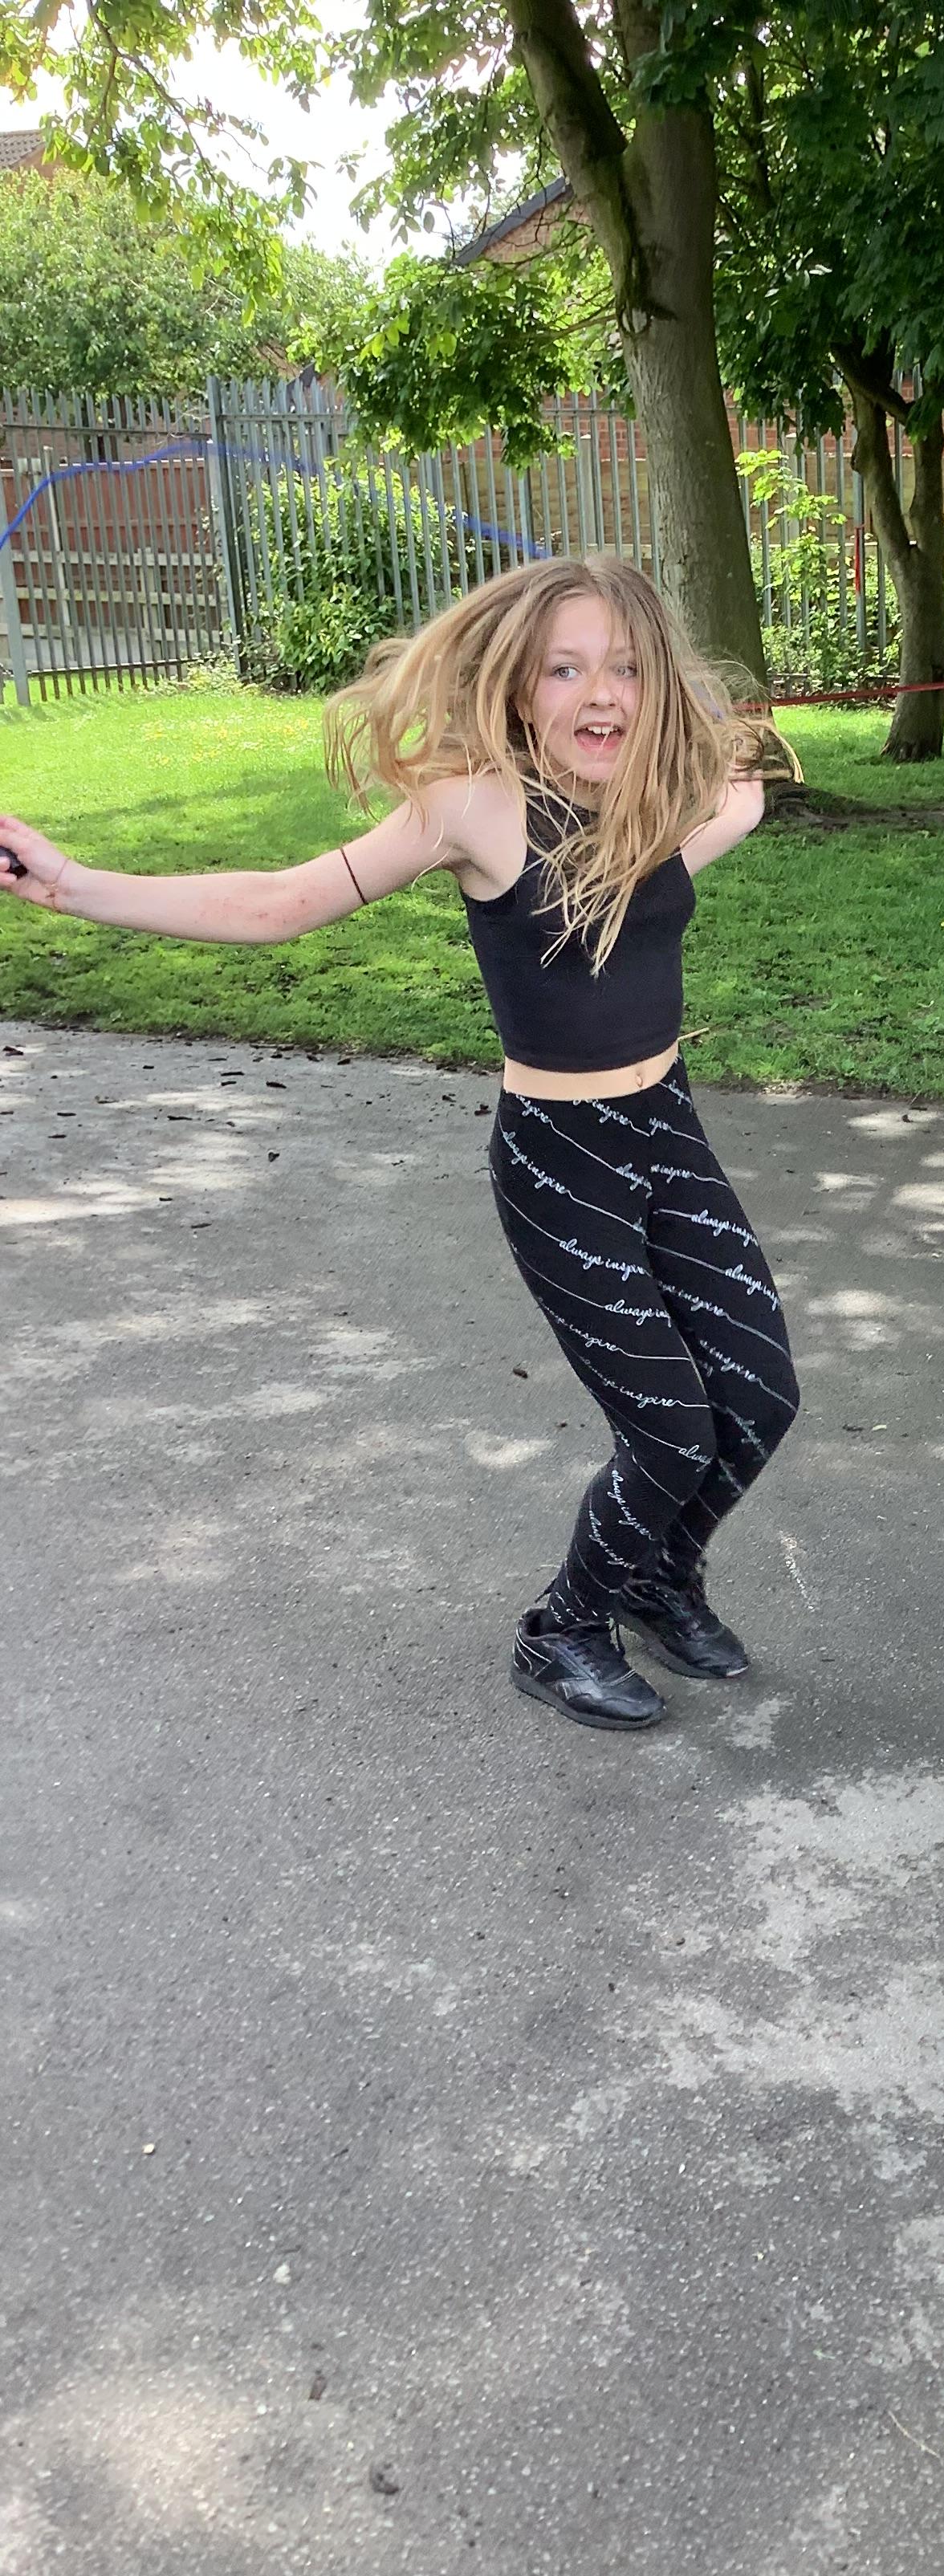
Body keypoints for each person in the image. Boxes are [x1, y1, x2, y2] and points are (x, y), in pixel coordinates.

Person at [0, 555, 799, 1733]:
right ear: (516, 687)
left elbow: (738, 800)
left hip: (665, 1129)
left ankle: (657, 1578)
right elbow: (279, 903)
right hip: (562, 1160)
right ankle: (564, 1628)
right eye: (565, 669)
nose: (601, 693)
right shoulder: (473, 809)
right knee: (672, 1430)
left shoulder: (647, 802)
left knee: (761, 1395)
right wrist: (75, 883)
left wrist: (730, 741)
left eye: (626, 668)